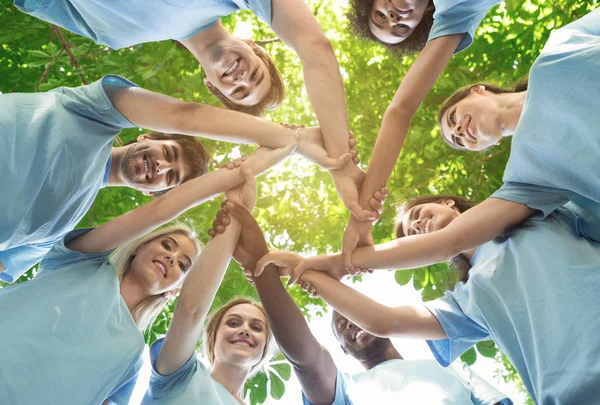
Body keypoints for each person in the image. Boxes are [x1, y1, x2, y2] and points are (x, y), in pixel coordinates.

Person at [0, 139, 291, 404]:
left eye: (183, 264)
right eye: (167, 244)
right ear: (140, 246)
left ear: (174, 289)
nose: (171, 257)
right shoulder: (80, 262)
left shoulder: (130, 360)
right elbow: (158, 211)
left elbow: (193, 306)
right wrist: (236, 185)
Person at [0, 75, 353, 283]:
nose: (160, 168)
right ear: (147, 137)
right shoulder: (91, 114)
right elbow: (185, 116)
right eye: (167, 154)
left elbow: (3, 265)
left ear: (158, 193)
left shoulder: (63, 226)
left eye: (171, 177)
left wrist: (277, 153)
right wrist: (288, 136)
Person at [256, 193, 600, 404]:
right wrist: (304, 268)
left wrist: (338, 263)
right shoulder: (468, 302)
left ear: (448, 201)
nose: (415, 226)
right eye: (409, 236)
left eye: (417, 215)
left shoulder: (542, 213)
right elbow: (383, 321)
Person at [211, 202, 511, 405]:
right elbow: (307, 358)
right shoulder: (344, 389)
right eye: (341, 325)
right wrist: (262, 267)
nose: (351, 323)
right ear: (342, 347)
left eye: (353, 316)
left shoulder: (453, 370)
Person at [340, 0, 505, 271]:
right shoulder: (454, 15)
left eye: (380, 14)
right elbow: (401, 111)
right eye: (402, 27)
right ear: (425, 17)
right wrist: (361, 220)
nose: (392, 18)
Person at [437, 7, 600, 242]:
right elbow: (452, 240)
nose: (459, 131)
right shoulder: (527, 176)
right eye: (458, 140)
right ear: (484, 147)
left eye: (453, 119)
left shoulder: (557, 53)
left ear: (477, 90)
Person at [142, 166, 276, 405]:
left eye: (257, 327)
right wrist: (238, 211)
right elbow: (191, 308)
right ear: (212, 338)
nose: (244, 330)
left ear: (265, 348)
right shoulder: (179, 375)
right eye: (233, 323)